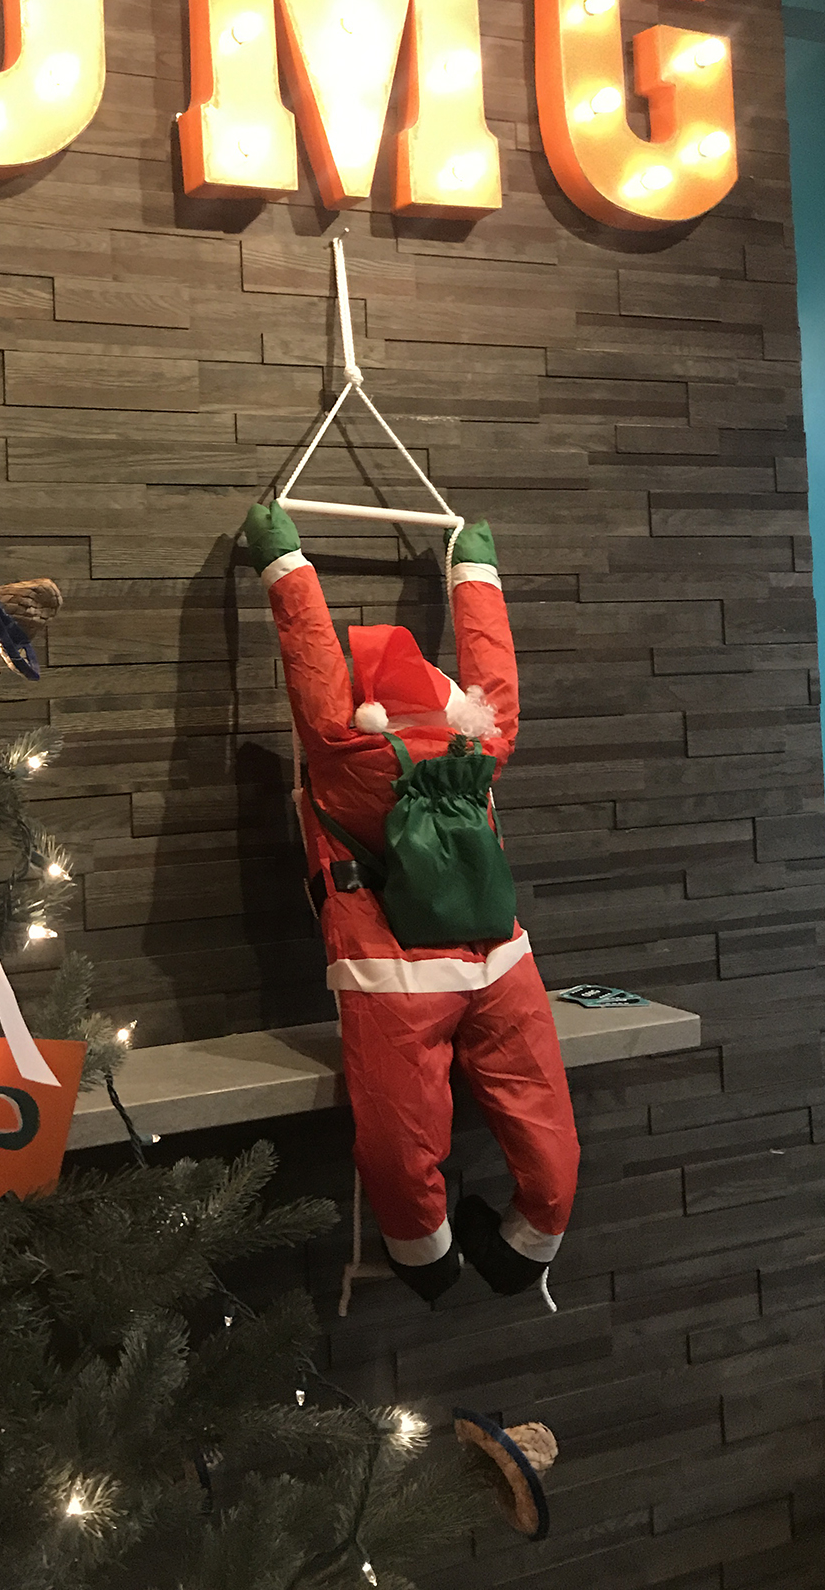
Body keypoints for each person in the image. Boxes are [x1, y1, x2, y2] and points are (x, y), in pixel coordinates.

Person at [241, 502, 580, 1305]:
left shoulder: (343, 740)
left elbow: (311, 653)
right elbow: (495, 669)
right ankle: (529, 1246)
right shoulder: (483, 743)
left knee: (400, 1136)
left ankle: (426, 1260)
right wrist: (473, 564)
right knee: (543, 1121)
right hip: (501, 959)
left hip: (392, 973)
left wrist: (282, 557)